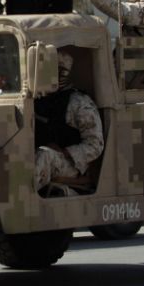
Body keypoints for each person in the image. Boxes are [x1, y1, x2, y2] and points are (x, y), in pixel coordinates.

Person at [34, 49, 104, 196]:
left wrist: (64, 152)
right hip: (41, 156)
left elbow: (95, 144)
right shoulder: (38, 100)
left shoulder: (79, 102)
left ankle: (23, 197)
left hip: (69, 164)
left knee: (45, 155)